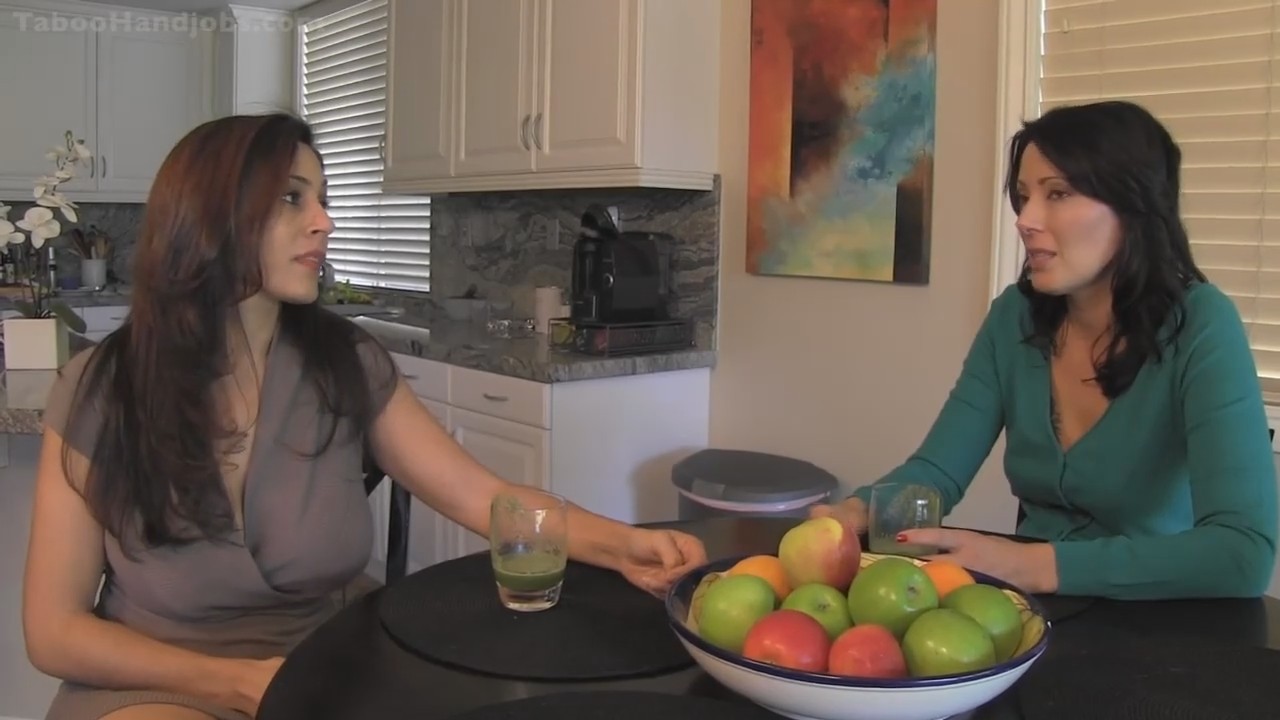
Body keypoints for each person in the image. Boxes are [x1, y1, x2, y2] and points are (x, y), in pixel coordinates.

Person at [22, 113, 708, 720]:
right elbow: (53, 631)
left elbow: (486, 498)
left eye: (323, 199)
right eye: (292, 197)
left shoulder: (345, 363)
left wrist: (623, 546)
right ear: (209, 215)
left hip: (326, 660)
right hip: (158, 676)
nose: (324, 220)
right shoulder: (101, 388)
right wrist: (233, 681)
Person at [813, 100, 1278, 602]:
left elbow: (1242, 553)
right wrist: (859, 514)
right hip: (1027, 609)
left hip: (1158, 619)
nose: (1025, 219)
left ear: (1133, 206)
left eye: (1057, 193)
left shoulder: (1202, 324)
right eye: (1023, 197)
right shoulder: (1014, 317)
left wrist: (1030, 565)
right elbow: (937, 474)